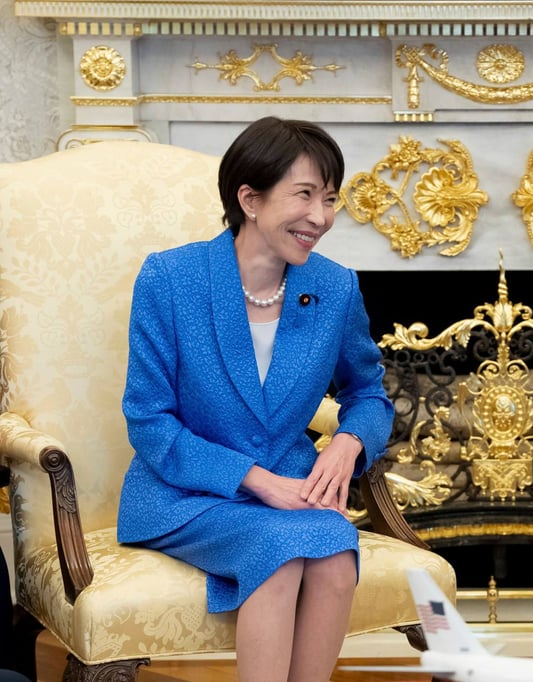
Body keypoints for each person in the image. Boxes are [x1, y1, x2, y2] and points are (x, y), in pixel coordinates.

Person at [118, 116, 395, 682]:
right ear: (250, 198)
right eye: (305, 195)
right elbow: (148, 421)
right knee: (282, 553)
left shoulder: (335, 286)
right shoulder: (170, 279)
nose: (321, 216)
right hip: (185, 494)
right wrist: (258, 481)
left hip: (294, 487)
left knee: (338, 560)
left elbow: (368, 391)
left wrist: (348, 442)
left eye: (331, 198)